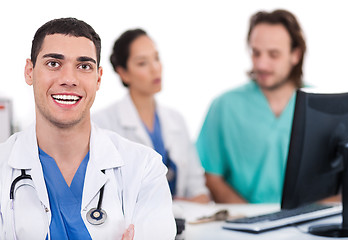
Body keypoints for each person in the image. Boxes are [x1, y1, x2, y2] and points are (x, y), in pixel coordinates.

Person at [0, 18, 176, 240]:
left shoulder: (144, 170)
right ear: (29, 71)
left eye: (84, 66)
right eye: (54, 63)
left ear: (99, 78)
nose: (69, 79)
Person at [196, 9, 307, 204]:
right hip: (244, 225)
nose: (262, 64)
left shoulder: (321, 104)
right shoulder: (224, 106)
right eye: (256, 53)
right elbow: (211, 176)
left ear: (295, 55)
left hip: (307, 225)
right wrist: (251, 220)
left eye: (273, 55)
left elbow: (339, 178)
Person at [92, 29, 210, 203]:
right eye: (142, 63)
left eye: (156, 58)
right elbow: (103, 197)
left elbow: (199, 192)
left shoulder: (176, 120)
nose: (155, 68)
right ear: (123, 72)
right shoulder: (102, 124)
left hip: (181, 223)